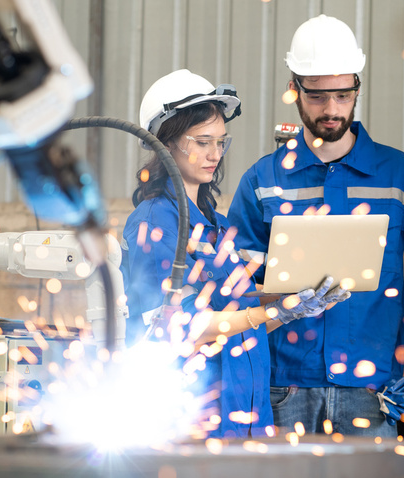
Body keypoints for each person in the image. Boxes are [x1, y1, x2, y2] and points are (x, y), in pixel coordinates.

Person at [227, 15, 404, 437]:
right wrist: (282, 296)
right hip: (284, 387)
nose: (331, 109)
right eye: (317, 96)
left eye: (343, 95)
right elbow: (235, 287)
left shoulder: (398, 175)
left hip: (373, 387)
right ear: (294, 90)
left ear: (357, 90)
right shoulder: (264, 181)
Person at [120, 69, 350, 439]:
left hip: (247, 411)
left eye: (221, 142)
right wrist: (274, 308)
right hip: (190, 419)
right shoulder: (154, 222)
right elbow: (184, 326)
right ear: (164, 144)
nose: (214, 155)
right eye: (202, 142)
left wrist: (294, 302)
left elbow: (242, 314)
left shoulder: (217, 224)